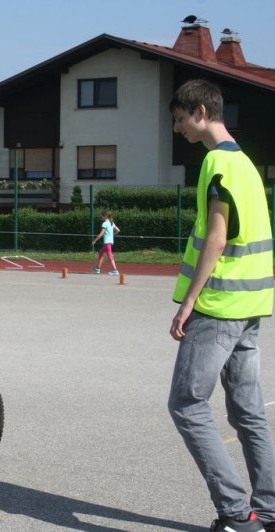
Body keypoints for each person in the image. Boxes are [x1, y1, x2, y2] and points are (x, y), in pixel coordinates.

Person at [167, 79, 275, 532]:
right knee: (248, 411)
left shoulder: (216, 163)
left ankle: (237, 515)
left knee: (187, 405)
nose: (177, 129)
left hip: (219, 304)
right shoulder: (246, 163)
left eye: (179, 119)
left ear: (201, 112)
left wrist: (188, 302)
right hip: (251, 304)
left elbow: (216, 236)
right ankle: (268, 510)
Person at [91, 210, 121, 275]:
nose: (101, 217)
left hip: (107, 242)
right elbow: (118, 230)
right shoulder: (112, 223)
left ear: (105, 216)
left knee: (109, 255)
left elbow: (101, 233)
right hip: (110, 242)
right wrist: (112, 234)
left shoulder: (105, 223)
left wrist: (95, 240)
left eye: (102, 215)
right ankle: (97, 269)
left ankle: (115, 270)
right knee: (101, 252)